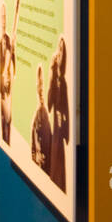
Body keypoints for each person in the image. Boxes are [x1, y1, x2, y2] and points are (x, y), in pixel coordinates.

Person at [46, 36, 69, 192]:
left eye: (62, 51)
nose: (59, 54)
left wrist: (65, 121)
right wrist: (51, 74)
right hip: (56, 135)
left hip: (60, 136)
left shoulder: (65, 83)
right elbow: (49, 105)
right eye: (59, 50)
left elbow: (66, 110)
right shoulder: (55, 80)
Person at [0, 0, 20, 144]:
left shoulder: (7, 39)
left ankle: (8, 138)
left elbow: (13, 61)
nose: (4, 20)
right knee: (3, 116)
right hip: (1, 87)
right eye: (2, 17)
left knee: (9, 117)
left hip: (7, 87)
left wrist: (10, 74)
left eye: (6, 17)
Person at [30, 64, 51, 170]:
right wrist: (36, 158)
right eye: (40, 89)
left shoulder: (48, 117)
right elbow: (33, 147)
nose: (41, 94)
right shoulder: (37, 117)